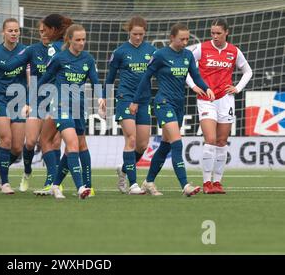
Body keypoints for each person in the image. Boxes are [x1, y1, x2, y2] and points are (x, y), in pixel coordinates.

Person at [130, 23, 215, 197]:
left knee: (166, 145)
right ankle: (185, 185)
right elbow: (146, 78)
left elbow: (195, 75)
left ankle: (149, 181)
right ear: (171, 38)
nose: (184, 42)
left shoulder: (188, 55)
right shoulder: (160, 55)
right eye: (181, 39)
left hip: (178, 105)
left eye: (187, 39)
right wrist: (136, 101)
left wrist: (206, 88)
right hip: (163, 103)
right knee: (177, 142)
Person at [186, 18, 252, 194]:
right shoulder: (202, 48)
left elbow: (248, 71)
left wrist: (237, 88)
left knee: (222, 141)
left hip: (226, 100)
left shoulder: (233, 51)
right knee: (210, 140)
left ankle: (217, 182)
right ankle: (207, 182)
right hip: (206, 99)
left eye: (218, 33)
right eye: (212, 33)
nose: (215, 36)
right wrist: (194, 86)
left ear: (226, 32)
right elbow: (185, 66)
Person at [37, 24, 103, 199]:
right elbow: (43, 80)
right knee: (73, 144)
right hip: (60, 106)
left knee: (73, 148)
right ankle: (81, 187)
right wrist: (31, 102)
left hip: (79, 107)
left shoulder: (88, 59)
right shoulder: (59, 58)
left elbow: (95, 81)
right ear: (69, 40)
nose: (81, 43)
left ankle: (55, 185)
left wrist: (101, 97)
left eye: (84, 39)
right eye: (78, 40)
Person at [102, 16, 156, 195]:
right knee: (131, 139)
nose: (138, 37)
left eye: (141, 34)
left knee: (142, 145)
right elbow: (110, 78)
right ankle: (133, 184)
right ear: (129, 32)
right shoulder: (120, 52)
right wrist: (104, 98)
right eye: (135, 34)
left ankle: (124, 168)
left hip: (144, 100)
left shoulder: (152, 51)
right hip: (125, 98)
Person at [0, 18, 27, 194]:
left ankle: (1, 168)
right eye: (10, 30)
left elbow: (31, 77)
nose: (14, 33)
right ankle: (5, 182)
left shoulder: (25, 52)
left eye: (16, 30)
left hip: (19, 101)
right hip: (0, 99)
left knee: (17, 148)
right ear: (3, 32)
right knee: (6, 140)